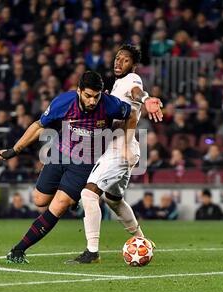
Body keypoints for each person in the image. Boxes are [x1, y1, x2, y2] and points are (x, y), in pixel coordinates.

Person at [0, 71, 138, 264]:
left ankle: (18, 250)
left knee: (58, 205)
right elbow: (38, 126)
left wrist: (126, 143)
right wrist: (13, 150)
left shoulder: (109, 104)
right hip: (59, 154)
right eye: (88, 96)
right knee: (39, 200)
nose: (93, 101)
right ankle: (71, 199)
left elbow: (133, 114)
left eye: (96, 96)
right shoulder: (64, 102)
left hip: (85, 164)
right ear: (78, 91)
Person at [67, 44, 163, 263]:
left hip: (121, 149)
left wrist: (147, 99)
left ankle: (92, 252)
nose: (119, 62)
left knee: (89, 194)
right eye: (118, 58)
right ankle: (142, 240)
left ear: (134, 65)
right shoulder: (118, 84)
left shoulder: (132, 80)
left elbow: (137, 93)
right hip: (123, 148)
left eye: (125, 60)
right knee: (113, 199)